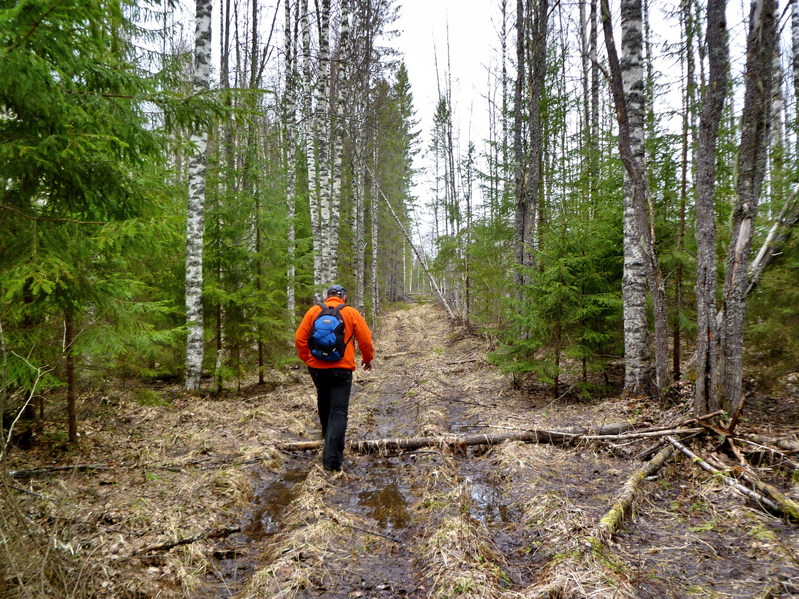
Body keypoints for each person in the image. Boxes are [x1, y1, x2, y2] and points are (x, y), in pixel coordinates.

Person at [295, 284, 374, 471]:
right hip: (342, 369)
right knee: (338, 411)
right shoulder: (350, 312)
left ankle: (326, 439)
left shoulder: (314, 311)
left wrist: (308, 358)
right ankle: (332, 461)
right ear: (343, 297)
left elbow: (299, 338)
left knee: (323, 401)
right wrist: (367, 359)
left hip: (316, 369)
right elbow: (365, 340)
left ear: (327, 297)